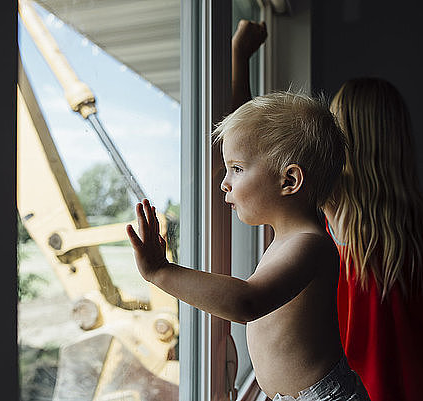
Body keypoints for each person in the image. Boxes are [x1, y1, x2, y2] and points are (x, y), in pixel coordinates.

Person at [126, 91, 370, 400]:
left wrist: (161, 272)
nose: (224, 183)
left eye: (237, 169)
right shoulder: (287, 238)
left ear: (289, 181)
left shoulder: (310, 245)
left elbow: (247, 302)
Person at [323, 78, 423, 401]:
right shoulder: (418, 225)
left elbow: (256, 145)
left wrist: (240, 58)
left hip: (358, 392)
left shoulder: (336, 208)